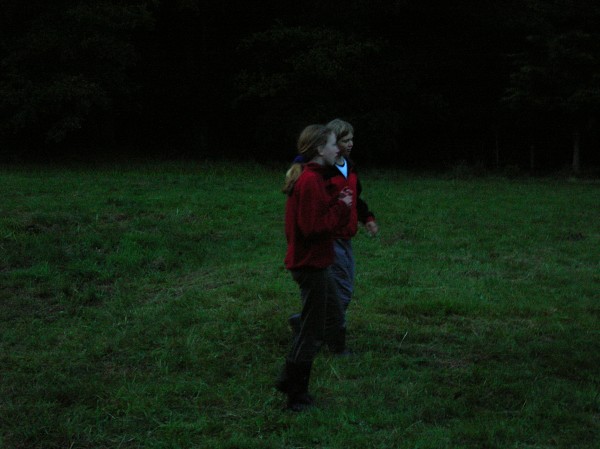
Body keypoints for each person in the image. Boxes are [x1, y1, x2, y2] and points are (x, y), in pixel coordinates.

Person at [276, 124, 353, 412]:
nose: (337, 149)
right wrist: (341, 208)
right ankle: (296, 396)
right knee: (312, 331)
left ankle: (289, 379)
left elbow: (316, 213)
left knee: (330, 313)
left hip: (318, 262)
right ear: (320, 149)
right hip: (311, 265)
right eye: (333, 144)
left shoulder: (314, 178)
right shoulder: (309, 180)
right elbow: (313, 228)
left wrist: (336, 201)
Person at [288, 119, 378, 355]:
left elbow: (355, 198)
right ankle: (326, 341)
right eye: (342, 141)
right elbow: (313, 223)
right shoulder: (316, 176)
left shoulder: (349, 167)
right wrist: (340, 207)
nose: (348, 145)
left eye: (351, 140)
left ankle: (317, 332)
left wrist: (366, 217)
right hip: (325, 242)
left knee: (336, 292)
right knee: (339, 293)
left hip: (341, 237)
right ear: (324, 147)